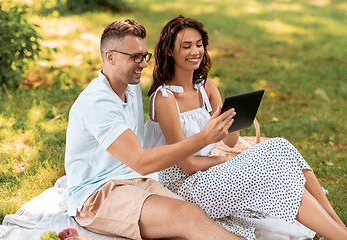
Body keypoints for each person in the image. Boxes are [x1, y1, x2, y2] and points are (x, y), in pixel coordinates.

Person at [143, 15, 347, 240]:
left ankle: (338, 228)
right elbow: (188, 164)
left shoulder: (206, 87)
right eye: (186, 46)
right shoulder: (164, 99)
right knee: (274, 165)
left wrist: (233, 119)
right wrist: (221, 161)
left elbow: (229, 142)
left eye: (199, 45)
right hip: (183, 189)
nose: (195, 52)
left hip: (209, 175)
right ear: (169, 51)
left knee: (280, 146)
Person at [64, 19, 243, 240]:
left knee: (199, 218)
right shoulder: (97, 104)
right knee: (186, 216)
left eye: (144, 56)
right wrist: (204, 137)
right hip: (97, 195)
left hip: (136, 181)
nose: (143, 64)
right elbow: (140, 161)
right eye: (135, 57)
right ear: (110, 56)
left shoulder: (130, 85)